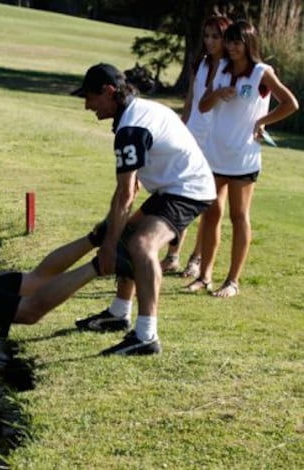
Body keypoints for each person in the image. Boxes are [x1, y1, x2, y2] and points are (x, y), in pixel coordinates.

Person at [71, 63, 216, 355]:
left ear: (109, 92)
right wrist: (114, 232)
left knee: (140, 243)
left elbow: (126, 193)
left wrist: (109, 246)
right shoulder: (138, 110)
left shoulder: (130, 128)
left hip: (188, 190)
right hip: (171, 188)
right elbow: (129, 187)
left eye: (90, 97)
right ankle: (118, 313)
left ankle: (146, 336)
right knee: (127, 235)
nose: (87, 105)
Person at [187, 20, 299, 297]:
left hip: (243, 158)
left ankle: (232, 281)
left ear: (249, 44)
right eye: (230, 42)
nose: (232, 47)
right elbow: (202, 106)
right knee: (211, 214)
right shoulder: (222, 68)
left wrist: (262, 120)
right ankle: (204, 276)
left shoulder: (261, 72)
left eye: (237, 42)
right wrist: (216, 93)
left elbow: (290, 104)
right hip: (215, 154)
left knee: (239, 217)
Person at [163, 15, 233, 279]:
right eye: (207, 36)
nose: (210, 41)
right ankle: (172, 255)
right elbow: (191, 99)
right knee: (180, 194)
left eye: (216, 36)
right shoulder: (201, 63)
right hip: (192, 135)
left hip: (217, 141)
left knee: (212, 202)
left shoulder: (232, 68)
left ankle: (197, 258)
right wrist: (181, 127)